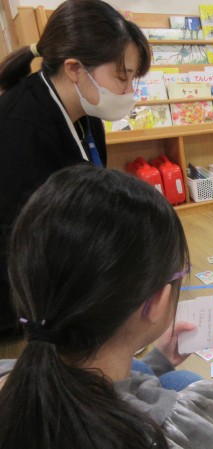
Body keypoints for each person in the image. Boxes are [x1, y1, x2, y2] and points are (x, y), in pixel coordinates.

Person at [0, 165, 213, 449]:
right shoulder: (173, 428)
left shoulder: (13, 376)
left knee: (174, 377)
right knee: (186, 380)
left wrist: (156, 363)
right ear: (156, 302)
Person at [0, 0, 152, 338]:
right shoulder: (18, 128)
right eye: (122, 77)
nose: (129, 91)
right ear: (74, 69)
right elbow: (22, 240)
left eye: (133, 78)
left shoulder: (86, 110)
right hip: (18, 295)